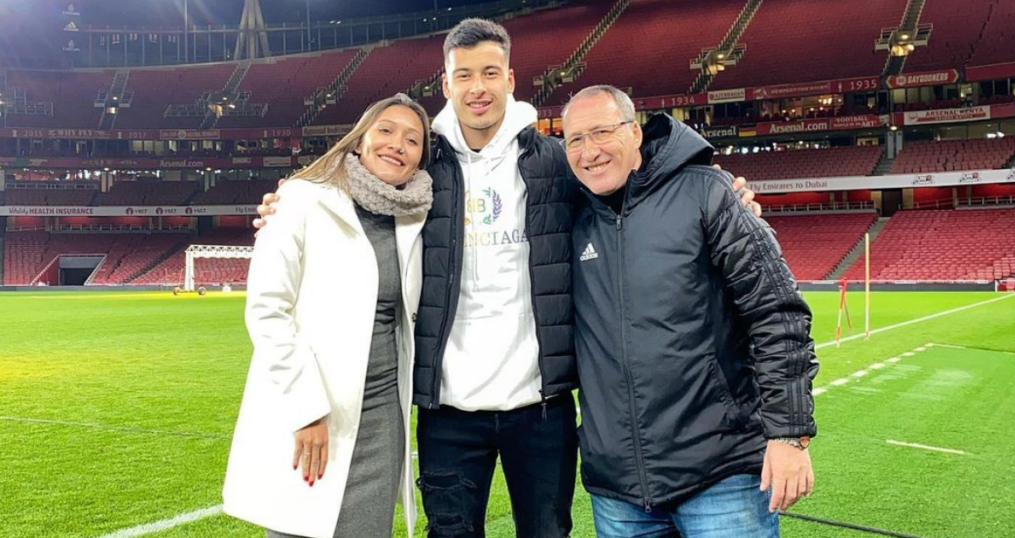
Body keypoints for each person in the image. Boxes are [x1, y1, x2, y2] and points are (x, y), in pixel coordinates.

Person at [252, 19, 759, 538]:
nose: (478, 87)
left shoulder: (555, 163)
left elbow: (628, 186)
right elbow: (363, 187)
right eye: (464, 75)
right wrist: (286, 203)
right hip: (448, 409)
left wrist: (720, 188)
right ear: (446, 85)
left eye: (490, 72)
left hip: (541, 408)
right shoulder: (425, 169)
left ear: (510, 79)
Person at [562, 85, 818, 538]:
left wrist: (788, 434)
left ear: (635, 133)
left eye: (601, 132)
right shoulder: (570, 216)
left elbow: (777, 312)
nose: (589, 151)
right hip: (618, 489)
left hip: (720, 475)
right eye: (575, 140)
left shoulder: (706, 192)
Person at [222, 94, 434, 538]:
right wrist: (307, 409)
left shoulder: (416, 215)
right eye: (386, 131)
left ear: (419, 159)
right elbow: (267, 309)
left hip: (381, 416)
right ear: (359, 141)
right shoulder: (301, 199)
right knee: (297, 526)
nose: (398, 144)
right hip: (316, 407)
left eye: (413, 140)